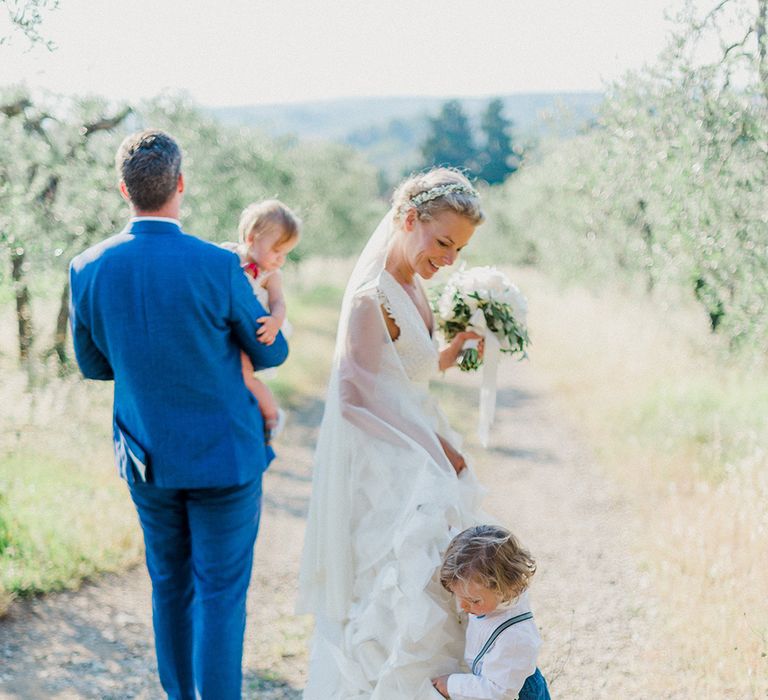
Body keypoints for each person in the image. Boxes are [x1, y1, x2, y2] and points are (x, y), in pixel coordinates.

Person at [69, 129, 288, 700]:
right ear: (181, 185)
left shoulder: (86, 267)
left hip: (147, 456)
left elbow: (93, 366)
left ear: (124, 190)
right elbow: (269, 352)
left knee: (168, 585)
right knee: (220, 593)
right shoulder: (218, 264)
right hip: (226, 457)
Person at [297, 168, 488, 698]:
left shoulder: (411, 286)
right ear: (408, 220)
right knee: (394, 583)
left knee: (438, 573)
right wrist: (430, 450)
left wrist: (453, 351)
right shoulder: (370, 297)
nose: (449, 258)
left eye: (459, 248)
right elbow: (355, 399)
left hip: (416, 441)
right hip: (384, 463)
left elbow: (403, 372)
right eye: (442, 241)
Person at [432, 525, 551, 700]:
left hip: (515, 693)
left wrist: (451, 684)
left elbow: (497, 692)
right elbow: (477, 553)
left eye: (473, 601)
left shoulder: (515, 637)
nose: (463, 606)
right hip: (496, 678)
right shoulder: (491, 588)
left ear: (505, 587)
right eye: (458, 596)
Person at [222, 200, 301, 442]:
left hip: (259, 329)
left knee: (245, 374)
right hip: (232, 327)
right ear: (251, 239)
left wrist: (276, 321)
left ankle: (272, 415)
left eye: (285, 253)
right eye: (276, 251)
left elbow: (279, 303)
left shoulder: (270, 274)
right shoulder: (227, 256)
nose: (280, 260)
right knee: (231, 374)